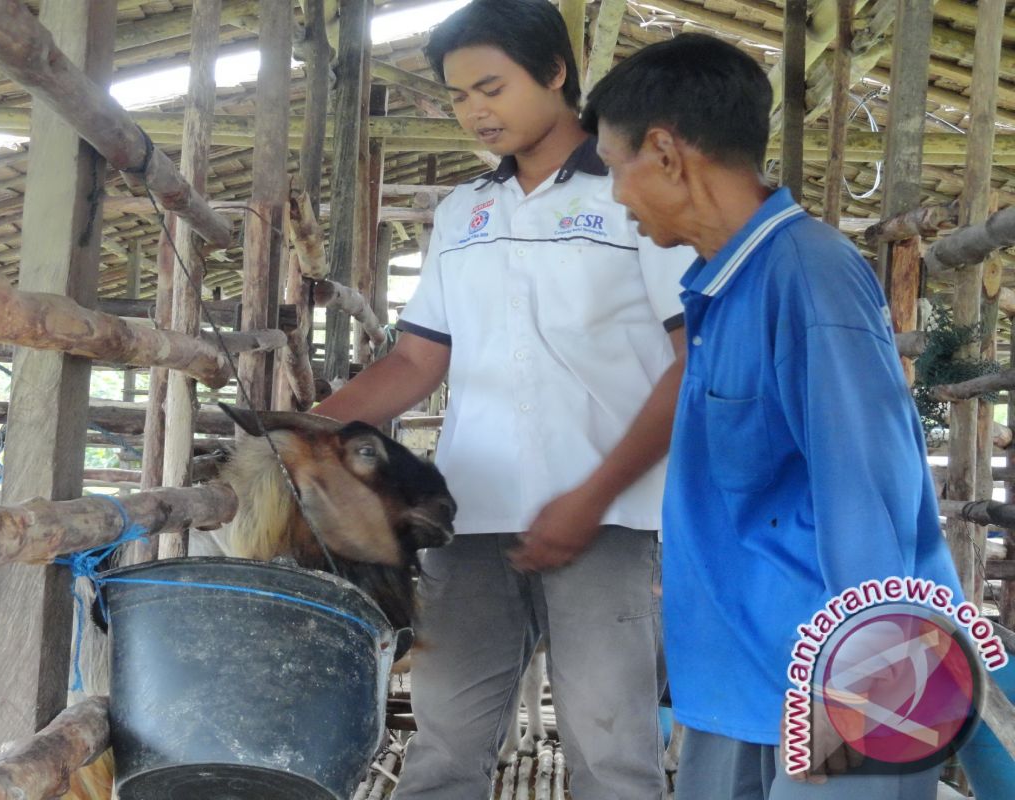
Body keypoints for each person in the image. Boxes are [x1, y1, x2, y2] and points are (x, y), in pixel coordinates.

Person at [314, 2, 693, 797]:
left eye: (491, 86)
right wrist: (309, 433)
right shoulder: (463, 214)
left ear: (556, 72)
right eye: (457, 96)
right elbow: (418, 358)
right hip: (471, 515)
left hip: (607, 518)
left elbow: (688, 357)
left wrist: (593, 497)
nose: (475, 111)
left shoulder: (633, 198)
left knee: (611, 750)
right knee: (443, 744)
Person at [582, 32, 966, 800]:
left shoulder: (808, 278)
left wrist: (864, 687)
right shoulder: (721, 287)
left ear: (665, 152)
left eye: (614, 165)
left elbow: (870, 495)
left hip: (838, 690)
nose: (616, 195)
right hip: (745, 679)